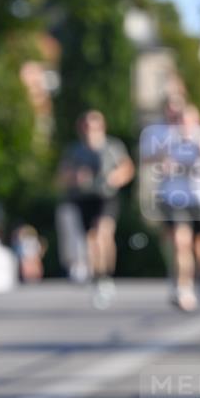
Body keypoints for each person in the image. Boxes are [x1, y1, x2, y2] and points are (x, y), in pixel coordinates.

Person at [142, 98, 200, 312]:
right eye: (180, 119)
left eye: (187, 119)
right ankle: (183, 287)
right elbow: (147, 161)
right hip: (174, 198)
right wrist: (164, 161)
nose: (183, 124)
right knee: (181, 242)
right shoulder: (167, 139)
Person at [58, 110, 134, 307]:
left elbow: (127, 168)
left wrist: (116, 177)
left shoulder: (112, 146)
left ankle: (106, 276)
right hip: (83, 198)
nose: (90, 131)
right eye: (86, 127)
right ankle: (98, 276)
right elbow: (62, 174)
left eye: (94, 126)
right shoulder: (75, 150)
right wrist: (74, 177)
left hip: (106, 197)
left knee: (103, 234)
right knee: (91, 240)